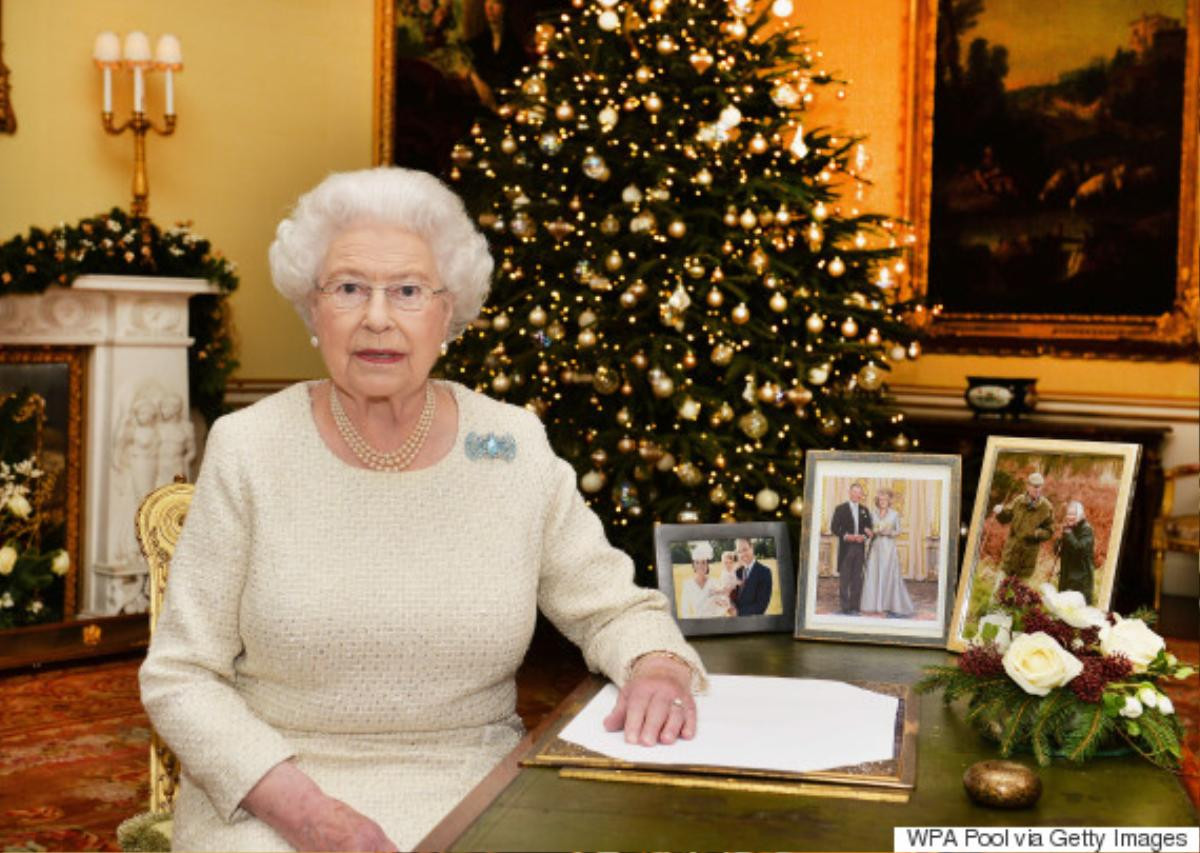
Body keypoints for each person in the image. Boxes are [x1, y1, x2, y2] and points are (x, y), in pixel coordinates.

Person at [138, 168, 706, 852]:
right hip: (272, 799)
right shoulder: (250, 447)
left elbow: (615, 608)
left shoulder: (509, 445)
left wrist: (657, 667)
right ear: (312, 309)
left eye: (408, 290)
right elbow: (181, 675)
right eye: (349, 287)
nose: (378, 316)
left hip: (476, 785)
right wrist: (308, 814)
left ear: (450, 311)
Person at [859, 489, 914, 618]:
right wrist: (870, 531)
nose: (883, 502)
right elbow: (869, 529)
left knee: (888, 575)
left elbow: (898, 531)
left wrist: (889, 532)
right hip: (876, 547)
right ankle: (872, 605)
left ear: (889, 501)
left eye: (885, 500)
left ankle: (887, 604)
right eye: (881, 500)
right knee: (874, 573)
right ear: (878, 501)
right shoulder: (872, 514)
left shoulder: (894, 514)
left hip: (888, 549)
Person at [993, 471, 1054, 578]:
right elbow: (1005, 518)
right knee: (999, 591)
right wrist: (1000, 512)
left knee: (1020, 593)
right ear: (1028, 486)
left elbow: (1049, 531)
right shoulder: (1018, 501)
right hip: (1010, 555)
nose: (1038, 489)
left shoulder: (1047, 507)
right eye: (1035, 486)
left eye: (1040, 486)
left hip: (1027, 560)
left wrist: (1037, 533)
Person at [829, 483, 873, 614]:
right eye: (854, 492)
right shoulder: (840, 508)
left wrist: (863, 537)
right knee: (845, 579)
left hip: (860, 547)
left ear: (861, 495)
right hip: (846, 548)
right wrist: (847, 536)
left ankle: (855, 606)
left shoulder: (864, 510)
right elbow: (834, 528)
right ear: (849, 492)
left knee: (857, 578)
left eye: (859, 492)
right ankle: (845, 608)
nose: (857, 495)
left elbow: (869, 528)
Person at [1056, 500, 1096, 604]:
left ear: (1080, 515)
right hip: (1067, 576)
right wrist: (1059, 541)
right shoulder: (1070, 528)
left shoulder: (1087, 530)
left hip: (1081, 580)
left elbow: (1079, 550)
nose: (1070, 517)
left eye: (1073, 514)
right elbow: (1058, 552)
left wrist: (1069, 535)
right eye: (1068, 514)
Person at [678, 542, 729, 619]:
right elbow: (685, 611)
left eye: (703, 562)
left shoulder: (714, 582)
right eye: (697, 562)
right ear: (693, 565)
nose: (700, 566)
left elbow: (725, 604)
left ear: (707, 565)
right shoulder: (687, 584)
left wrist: (723, 604)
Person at [732, 538, 772, 616]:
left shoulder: (764, 572)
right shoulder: (737, 572)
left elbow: (761, 607)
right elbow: (735, 598)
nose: (742, 554)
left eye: (745, 550)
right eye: (739, 551)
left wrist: (737, 612)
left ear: (752, 548)